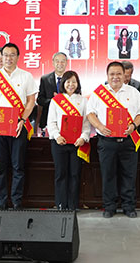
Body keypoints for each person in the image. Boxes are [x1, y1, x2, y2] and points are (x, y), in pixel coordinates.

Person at [0, 42, 38, 210]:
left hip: (18, 125)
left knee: (18, 166)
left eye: (12, 55)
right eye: (5, 55)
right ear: (1, 57)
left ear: (18, 57)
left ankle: (16, 202)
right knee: (0, 167)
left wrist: (22, 119)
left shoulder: (26, 76)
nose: (8, 58)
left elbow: (31, 101)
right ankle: (2, 202)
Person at [87, 62, 140, 218]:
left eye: (118, 74)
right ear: (107, 76)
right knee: (108, 175)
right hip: (107, 142)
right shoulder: (99, 93)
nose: (115, 77)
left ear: (124, 75)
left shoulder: (133, 92)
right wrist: (99, 126)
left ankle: (129, 206)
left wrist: (133, 125)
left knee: (129, 175)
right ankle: (109, 207)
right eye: (112, 74)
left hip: (128, 141)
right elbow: (90, 113)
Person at [47, 71, 91, 210]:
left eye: (74, 82)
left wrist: (83, 137)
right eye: (68, 82)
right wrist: (57, 136)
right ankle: (61, 204)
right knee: (61, 174)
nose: (71, 85)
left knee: (75, 174)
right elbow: (51, 122)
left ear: (78, 84)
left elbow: (86, 123)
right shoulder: (56, 100)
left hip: (77, 143)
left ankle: (72, 205)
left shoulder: (83, 101)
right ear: (63, 83)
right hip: (59, 143)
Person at [37, 52, 68, 132]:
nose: (60, 64)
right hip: (48, 118)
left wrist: (63, 100)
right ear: (53, 63)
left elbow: (78, 97)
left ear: (66, 63)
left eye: (63, 61)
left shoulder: (71, 79)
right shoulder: (45, 79)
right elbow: (40, 100)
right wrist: (54, 101)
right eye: (57, 61)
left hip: (67, 119)